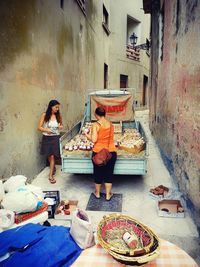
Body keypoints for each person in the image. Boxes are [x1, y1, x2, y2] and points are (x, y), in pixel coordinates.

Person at [84, 107, 117, 201]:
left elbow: (94, 140)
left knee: (97, 173)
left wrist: (87, 135)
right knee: (109, 173)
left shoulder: (96, 125)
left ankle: (97, 193)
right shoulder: (110, 124)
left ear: (96, 115)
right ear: (104, 114)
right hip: (111, 152)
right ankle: (108, 195)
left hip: (98, 152)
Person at [38, 100, 63, 184]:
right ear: (51, 107)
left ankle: (50, 175)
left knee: (52, 156)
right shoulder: (45, 115)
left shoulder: (58, 116)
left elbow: (61, 126)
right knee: (49, 156)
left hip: (55, 138)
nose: (57, 109)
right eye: (56, 107)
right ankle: (53, 168)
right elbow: (39, 127)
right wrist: (46, 129)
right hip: (47, 138)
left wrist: (60, 127)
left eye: (58, 107)